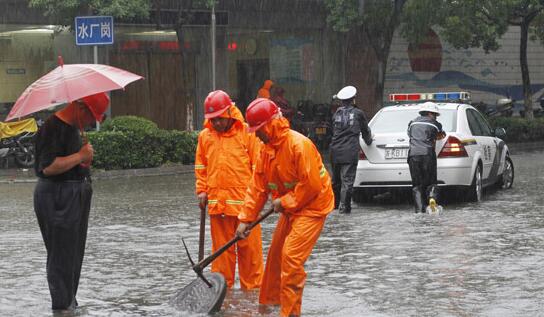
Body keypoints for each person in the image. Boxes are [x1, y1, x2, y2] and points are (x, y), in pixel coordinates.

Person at [235, 98, 334, 317]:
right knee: (275, 258)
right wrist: (245, 219)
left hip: (313, 207)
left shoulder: (298, 145)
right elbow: (257, 187)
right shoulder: (265, 150)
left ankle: (289, 313)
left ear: (270, 124)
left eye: (259, 130)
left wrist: (285, 201)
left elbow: (311, 186)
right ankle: (269, 307)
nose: (256, 135)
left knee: (290, 259)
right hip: (291, 208)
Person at [33, 92, 109, 311]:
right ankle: (62, 307)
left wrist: (84, 160)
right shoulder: (51, 127)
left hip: (75, 194)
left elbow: (74, 160)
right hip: (57, 197)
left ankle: (69, 303)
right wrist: (79, 157)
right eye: (90, 116)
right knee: (62, 258)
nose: (90, 122)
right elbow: (47, 167)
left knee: (74, 257)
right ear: (80, 107)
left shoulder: (75, 128)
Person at [194, 90, 264, 289]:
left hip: (245, 207)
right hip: (218, 206)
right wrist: (201, 190)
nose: (216, 123)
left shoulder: (248, 134)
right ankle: (222, 294)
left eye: (219, 119)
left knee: (250, 256)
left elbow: (258, 169)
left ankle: (252, 297)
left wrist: (257, 199)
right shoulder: (205, 137)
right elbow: (201, 166)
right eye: (212, 119)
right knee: (221, 258)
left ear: (229, 113)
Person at [329, 85, 372, 214]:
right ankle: (344, 209)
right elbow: (365, 131)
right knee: (347, 181)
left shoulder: (336, 113)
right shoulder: (358, 113)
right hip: (349, 151)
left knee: (336, 181)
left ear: (342, 101)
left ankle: (333, 207)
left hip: (335, 151)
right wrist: (369, 141)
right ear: (353, 99)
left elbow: (334, 130)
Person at [407, 101, 446, 213]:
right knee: (431, 182)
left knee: (417, 185)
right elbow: (441, 135)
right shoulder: (435, 124)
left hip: (413, 155)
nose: (435, 117)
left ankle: (419, 210)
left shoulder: (412, 123)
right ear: (430, 113)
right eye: (434, 115)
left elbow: (410, 135)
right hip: (427, 155)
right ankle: (432, 198)